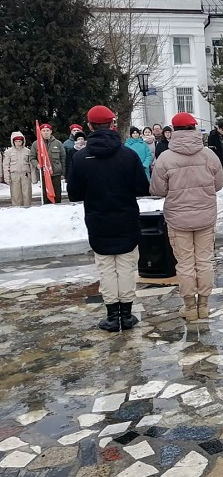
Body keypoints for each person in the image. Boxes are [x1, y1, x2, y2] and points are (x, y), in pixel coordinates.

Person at [68, 105, 151, 332]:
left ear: (89, 126)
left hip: (98, 220)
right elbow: (141, 187)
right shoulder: (128, 155)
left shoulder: (81, 157)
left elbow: (74, 193)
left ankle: (112, 316)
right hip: (125, 218)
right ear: (112, 124)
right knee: (125, 267)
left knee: (106, 267)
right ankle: (126, 314)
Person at [150, 112, 223, 322]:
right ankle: (204, 306)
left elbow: (157, 189)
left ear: (173, 131)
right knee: (204, 261)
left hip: (178, 218)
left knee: (184, 263)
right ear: (194, 129)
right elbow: (218, 185)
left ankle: (190, 307)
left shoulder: (165, 157)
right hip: (205, 215)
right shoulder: (209, 155)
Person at [29, 123, 66, 204]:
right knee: (46, 195)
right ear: (40, 132)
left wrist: (63, 173)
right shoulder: (36, 144)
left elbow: (63, 159)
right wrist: (37, 164)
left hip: (56, 173)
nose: (46, 132)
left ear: (51, 132)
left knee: (57, 195)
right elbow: (32, 157)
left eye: (47, 131)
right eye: (43, 131)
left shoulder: (58, 143)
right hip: (44, 174)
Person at [4, 132, 34, 206]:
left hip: (25, 175)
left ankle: (27, 208)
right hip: (14, 175)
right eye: (16, 141)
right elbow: (5, 165)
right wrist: (7, 178)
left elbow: (31, 165)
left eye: (20, 141)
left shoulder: (27, 151)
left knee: (27, 193)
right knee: (16, 194)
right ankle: (16, 210)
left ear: (23, 141)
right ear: (13, 141)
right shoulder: (8, 152)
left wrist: (33, 177)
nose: (18, 143)